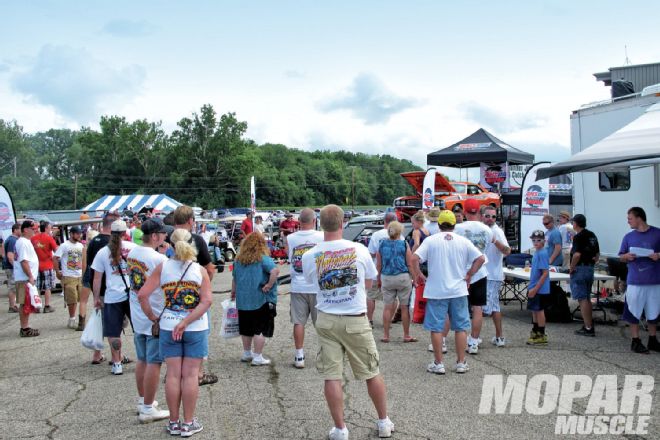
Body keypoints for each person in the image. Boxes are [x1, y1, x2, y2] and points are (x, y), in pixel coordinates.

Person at [302, 204, 394, 440]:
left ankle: (341, 429)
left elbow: (314, 283)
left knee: (332, 375)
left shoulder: (310, 255)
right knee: (372, 372)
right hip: (355, 318)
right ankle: (383, 422)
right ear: (343, 223)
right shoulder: (359, 250)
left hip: (327, 319)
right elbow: (370, 282)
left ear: (320, 224)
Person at [138, 228, 212, 437]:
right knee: (190, 376)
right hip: (195, 327)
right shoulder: (200, 270)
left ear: (170, 245)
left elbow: (142, 295)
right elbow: (206, 301)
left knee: (172, 375)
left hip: (168, 325)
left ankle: (174, 422)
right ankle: (188, 423)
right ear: (192, 244)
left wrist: (154, 318)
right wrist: (187, 320)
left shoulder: (163, 267)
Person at [412, 209, 485, 375]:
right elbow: (480, 259)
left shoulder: (431, 240)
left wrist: (419, 275)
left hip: (437, 290)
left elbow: (414, 258)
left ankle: (439, 363)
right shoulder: (463, 241)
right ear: (454, 224)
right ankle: (461, 362)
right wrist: (469, 275)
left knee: (437, 328)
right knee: (460, 328)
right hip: (458, 290)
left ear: (438, 224)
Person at [126, 219, 171, 422]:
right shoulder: (158, 259)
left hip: (137, 311)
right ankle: (147, 408)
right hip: (154, 313)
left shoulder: (133, 253)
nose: (165, 237)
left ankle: (144, 400)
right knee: (154, 362)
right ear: (154, 236)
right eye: (162, 234)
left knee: (142, 359)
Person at [173, 205, 217, 386]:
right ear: (191, 221)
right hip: (194, 295)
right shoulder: (197, 240)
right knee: (198, 333)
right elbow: (210, 268)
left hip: (172, 296)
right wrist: (205, 285)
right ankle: (198, 374)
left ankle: (176, 372)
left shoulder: (168, 239)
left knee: (174, 333)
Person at [91, 219, 137, 375]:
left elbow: (97, 278)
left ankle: (117, 363)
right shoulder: (134, 249)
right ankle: (145, 359)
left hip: (112, 296)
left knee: (113, 332)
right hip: (132, 294)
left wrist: (96, 298)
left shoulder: (103, 252)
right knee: (138, 328)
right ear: (125, 233)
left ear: (111, 233)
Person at [231, 232, 279, 366]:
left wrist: (233, 292)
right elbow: (275, 272)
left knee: (246, 328)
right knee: (260, 329)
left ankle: (247, 353)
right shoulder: (263, 259)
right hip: (259, 299)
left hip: (243, 300)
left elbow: (234, 278)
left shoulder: (238, 260)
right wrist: (269, 285)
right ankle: (257, 356)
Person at [285, 208, 323, 368]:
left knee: (298, 322)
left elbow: (289, 258)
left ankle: (299, 355)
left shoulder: (290, 238)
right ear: (314, 221)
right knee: (321, 322)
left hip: (298, 285)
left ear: (299, 221)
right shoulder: (321, 236)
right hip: (317, 286)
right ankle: (326, 354)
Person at [618, 207, 660, 353]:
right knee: (633, 311)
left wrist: (658, 255)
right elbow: (621, 256)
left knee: (654, 312)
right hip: (635, 281)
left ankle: (653, 340)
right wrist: (627, 256)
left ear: (639, 218)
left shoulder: (657, 233)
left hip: (655, 280)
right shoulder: (628, 237)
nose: (628, 221)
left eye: (630, 218)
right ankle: (635, 341)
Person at [454, 199, 493, 354]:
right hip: (480, 271)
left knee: (457, 307)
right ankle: (474, 341)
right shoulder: (487, 230)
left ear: (464, 212)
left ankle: (449, 339)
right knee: (478, 308)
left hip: (462, 272)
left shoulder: (458, 228)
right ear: (478, 211)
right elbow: (486, 249)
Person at [377, 221, 416, 343]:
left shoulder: (382, 244)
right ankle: (406, 335)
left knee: (387, 307)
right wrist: (414, 278)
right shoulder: (404, 244)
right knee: (404, 307)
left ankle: (386, 335)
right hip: (402, 277)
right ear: (400, 232)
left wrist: (378, 278)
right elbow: (409, 264)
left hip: (387, 277)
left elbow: (379, 264)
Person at [481, 205, 511, 347]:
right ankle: (499, 337)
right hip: (485, 274)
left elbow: (507, 251)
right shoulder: (483, 230)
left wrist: (495, 241)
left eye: (493, 216)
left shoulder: (496, 231)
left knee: (482, 309)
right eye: (488, 216)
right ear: (482, 216)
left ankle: (475, 337)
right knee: (494, 307)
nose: (490, 219)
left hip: (492, 275)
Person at [367, 212, 400, 326]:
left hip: (377, 270)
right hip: (393, 271)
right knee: (393, 298)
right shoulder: (399, 234)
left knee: (371, 296)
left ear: (384, 221)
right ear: (395, 220)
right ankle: (388, 320)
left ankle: (369, 320)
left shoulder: (376, 235)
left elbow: (371, 253)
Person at [569, 214, 600, 337]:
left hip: (580, 268)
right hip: (590, 268)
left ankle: (588, 327)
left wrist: (572, 268)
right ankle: (589, 324)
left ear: (576, 223)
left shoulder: (578, 237)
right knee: (587, 297)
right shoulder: (592, 235)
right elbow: (597, 255)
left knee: (582, 299)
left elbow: (576, 255)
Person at [53, 226, 84, 329]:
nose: (79, 235)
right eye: (77, 234)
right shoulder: (64, 245)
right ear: (71, 234)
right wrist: (57, 271)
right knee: (72, 299)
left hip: (79, 275)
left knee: (81, 299)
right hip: (68, 276)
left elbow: (83, 260)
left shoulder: (80, 246)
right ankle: (72, 319)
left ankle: (78, 318)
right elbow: (55, 258)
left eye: (80, 233)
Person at [14, 220, 41, 337]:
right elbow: (24, 261)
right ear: (25, 230)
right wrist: (30, 276)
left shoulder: (25, 241)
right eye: (33, 228)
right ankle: (24, 328)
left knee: (26, 303)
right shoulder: (23, 242)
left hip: (25, 278)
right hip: (24, 278)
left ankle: (25, 327)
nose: (35, 230)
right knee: (25, 303)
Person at [526, 230, 551, 345]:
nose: (536, 242)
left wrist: (535, 289)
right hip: (534, 285)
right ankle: (535, 330)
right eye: (534, 240)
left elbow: (545, 273)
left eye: (539, 240)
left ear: (544, 241)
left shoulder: (542, 253)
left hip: (540, 288)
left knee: (540, 310)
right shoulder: (536, 252)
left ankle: (541, 333)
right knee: (534, 310)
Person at [31, 220, 58, 313]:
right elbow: (56, 250)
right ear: (46, 228)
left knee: (37, 287)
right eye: (50, 228)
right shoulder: (49, 238)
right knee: (47, 287)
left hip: (36, 266)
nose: (50, 230)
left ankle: (36, 306)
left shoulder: (33, 238)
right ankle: (47, 306)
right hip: (47, 265)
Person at [3, 223, 20, 313]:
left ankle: (13, 305)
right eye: (20, 229)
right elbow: (10, 256)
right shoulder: (13, 240)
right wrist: (16, 267)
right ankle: (12, 306)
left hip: (9, 266)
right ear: (15, 230)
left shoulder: (10, 239)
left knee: (13, 286)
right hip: (11, 267)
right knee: (12, 286)